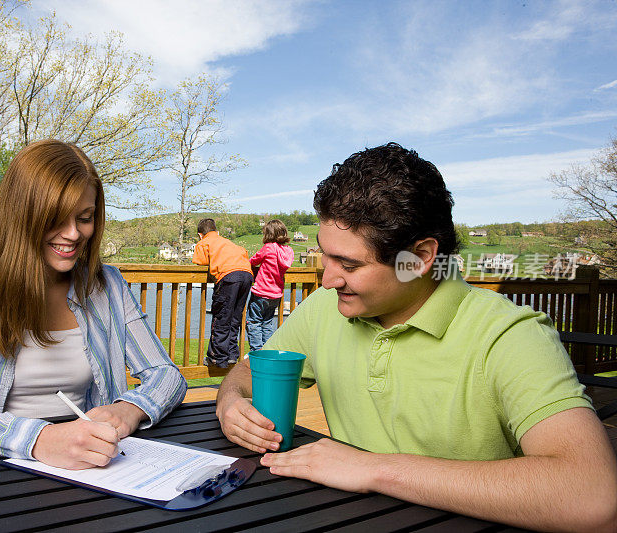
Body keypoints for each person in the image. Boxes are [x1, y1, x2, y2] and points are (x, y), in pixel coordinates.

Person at [215, 143, 617, 531]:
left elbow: (594, 498)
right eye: (326, 255)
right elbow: (250, 371)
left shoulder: (509, 335)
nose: (329, 278)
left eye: (350, 264)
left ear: (419, 258)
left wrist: (372, 468)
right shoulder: (325, 307)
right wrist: (230, 402)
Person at [0, 140, 187, 470]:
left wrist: (129, 408)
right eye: (55, 218)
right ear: (20, 214)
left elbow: (166, 375)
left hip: (95, 469)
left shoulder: (108, 284)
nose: (72, 234)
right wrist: (38, 440)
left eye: (84, 218)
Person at [192, 218, 253, 368]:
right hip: (247, 275)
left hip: (229, 276)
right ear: (217, 232)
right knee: (235, 317)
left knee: (221, 317)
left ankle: (217, 358)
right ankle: (232, 355)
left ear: (200, 235)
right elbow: (244, 254)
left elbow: (199, 261)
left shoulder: (204, 242)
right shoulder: (228, 243)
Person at [246, 219, 294, 351]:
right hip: (276, 294)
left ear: (268, 234)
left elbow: (252, 261)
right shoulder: (288, 251)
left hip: (261, 292)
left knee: (254, 322)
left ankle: (256, 351)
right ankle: (267, 350)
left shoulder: (268, 248)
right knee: (267, 323)